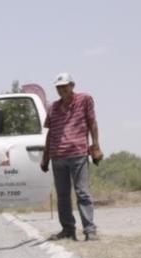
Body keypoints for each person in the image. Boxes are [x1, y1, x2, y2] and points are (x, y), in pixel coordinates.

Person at [40, 72, 102, 241]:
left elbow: (92, 123)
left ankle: (90, 230)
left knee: (82, 193)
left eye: (64, 87)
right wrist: (46, 157)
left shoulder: (85, 99)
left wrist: (95, 145)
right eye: (58, 87)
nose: (61, 90)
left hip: (78, 154)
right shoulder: (53, 107)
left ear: (72, 86)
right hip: (58, 156)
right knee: (62, 196)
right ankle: (68, 230)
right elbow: (50, 133)